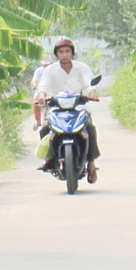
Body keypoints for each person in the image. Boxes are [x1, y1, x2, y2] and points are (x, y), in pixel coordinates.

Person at [35, 36, 101, 183]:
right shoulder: (50, 70)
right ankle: (50, 159)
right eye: (61, 51)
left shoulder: (81, 68)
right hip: (56, 109)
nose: (64, 54)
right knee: (45, 129)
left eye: (67, 51)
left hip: (79, 107)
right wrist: (42, 96)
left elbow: (88, 83)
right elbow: (43, 85)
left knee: (89, 129)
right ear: (56, 54)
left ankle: (91, 163)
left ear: (72, 53)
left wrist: (92, 92)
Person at [31, 58, 51, 129]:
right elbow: (35, 79)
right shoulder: (39, 71)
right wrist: (34, 85)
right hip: (39, 92)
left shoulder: (54, 70)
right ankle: (38, 121)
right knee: (36, 103)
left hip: (50, 92)